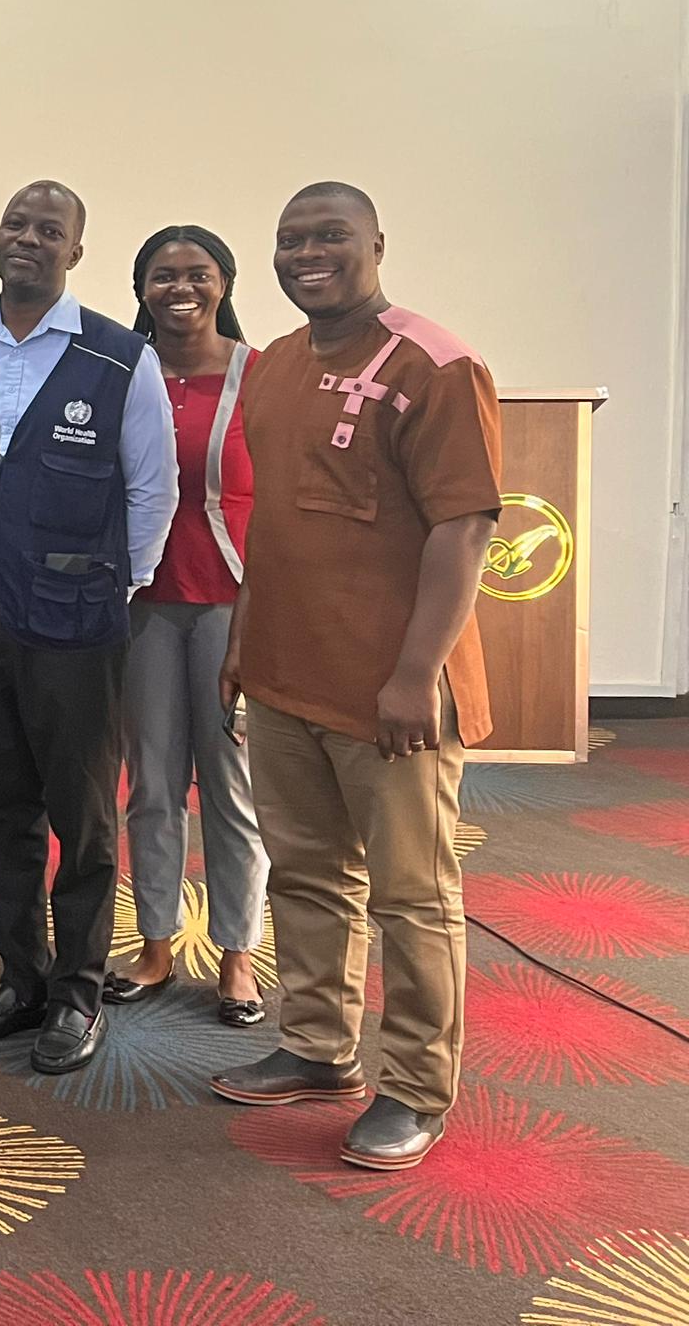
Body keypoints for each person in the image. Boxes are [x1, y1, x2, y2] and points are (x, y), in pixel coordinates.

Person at [210, 183, 500, 1175]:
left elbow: (464, 526)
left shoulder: (435, 364)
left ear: (375, 243)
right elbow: (276, 525)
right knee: (304, 873)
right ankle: (318, 1045)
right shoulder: (275, 366)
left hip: (395, 691)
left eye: (328, 236)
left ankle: (415, 1089)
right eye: (289, 240)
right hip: (289, 674)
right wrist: (245, 640)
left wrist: (417, 671)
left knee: (413, 897)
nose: (306, 254)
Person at [0, 181, 177, 1076]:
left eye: (49, 231)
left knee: (82, 817)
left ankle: (78, 990)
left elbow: (152, 491)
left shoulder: (119, 360)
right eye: (15, 224)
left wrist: (119, 587)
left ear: (75, 252)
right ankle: (22, 977)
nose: (27, 240)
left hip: (77, 626)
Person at [107, 225, 268, 1027]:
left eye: (198, 274)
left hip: (232, 604)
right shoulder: (120, 372)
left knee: (232, 786)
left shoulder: (261, 376)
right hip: (144, 604)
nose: (180, 288)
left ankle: (239, 952)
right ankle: (157, 942)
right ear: (139, 288)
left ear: (224, 282)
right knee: (154, 784)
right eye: (161, 275)